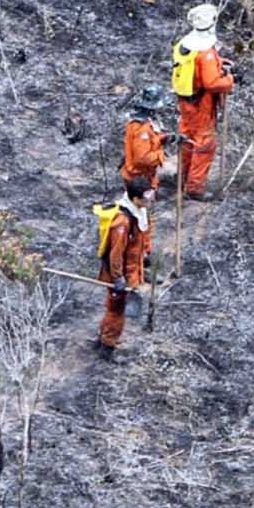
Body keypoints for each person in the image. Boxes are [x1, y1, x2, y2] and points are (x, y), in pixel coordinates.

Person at [171, 4, 235, 202]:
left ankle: (183, 177)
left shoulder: (185, 45)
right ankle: (195, 188)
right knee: (204, 143)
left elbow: (200, 65)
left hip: (186, 101)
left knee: (187, 137)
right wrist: (230, 80)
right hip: (202, 104)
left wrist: (220, 62)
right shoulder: (205, 53)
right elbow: (212, 82)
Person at [94, 176, 152, 356]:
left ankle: (103, 338)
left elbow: (138, 241)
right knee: (117, 309)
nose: (149, 200)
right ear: (135, 199)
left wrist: (145, 256)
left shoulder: (138, 212)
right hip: (120, 274)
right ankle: (107, 346)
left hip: (130, 271)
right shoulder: (123, 221)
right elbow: (116, 253)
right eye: (146, 197)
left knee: (114, 307)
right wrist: (118, 277)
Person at [121, 84, 169, 192]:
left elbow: (151, 140)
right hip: (139, 182)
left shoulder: (146, 122)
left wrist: (164, 138)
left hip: (144, 178)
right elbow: (142, 159)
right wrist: (161, 157)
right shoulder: (141, 128)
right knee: (142, 207)